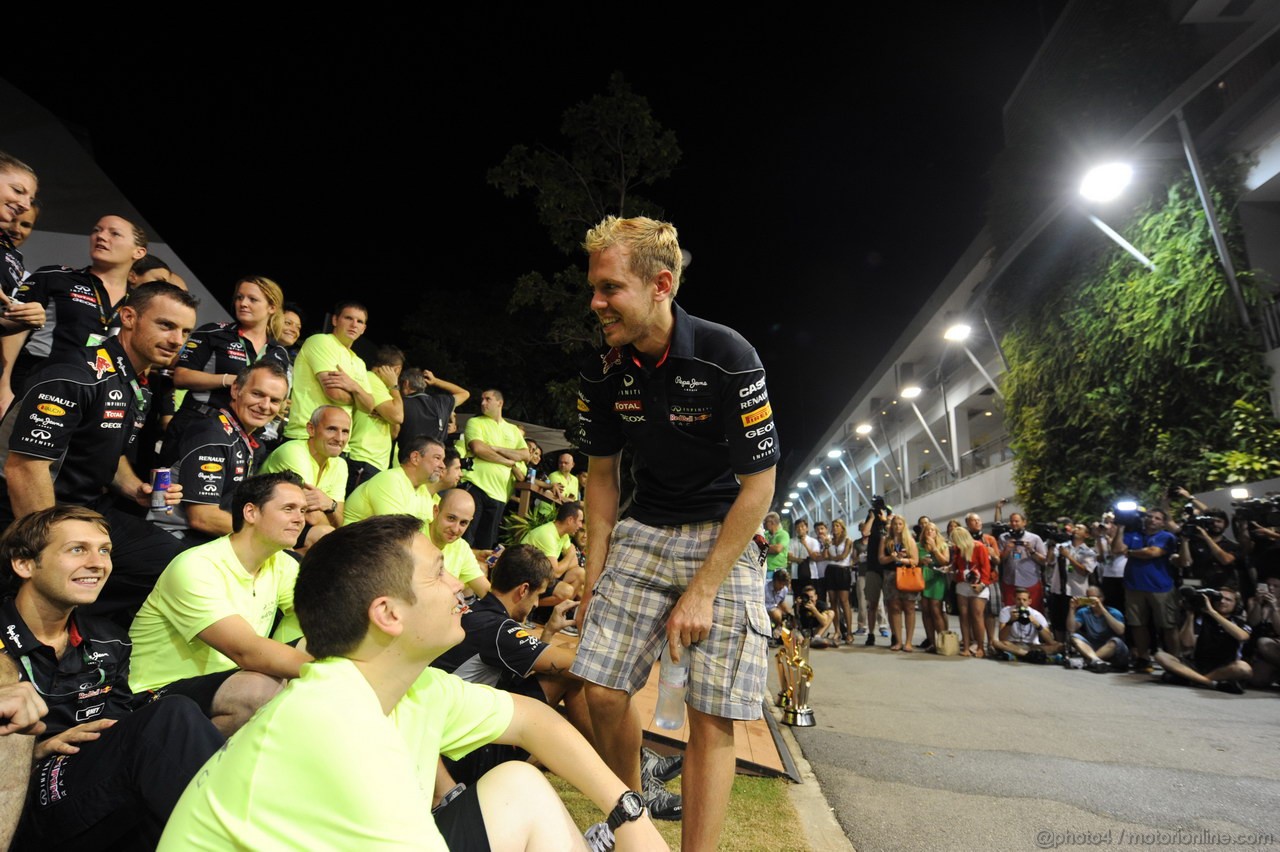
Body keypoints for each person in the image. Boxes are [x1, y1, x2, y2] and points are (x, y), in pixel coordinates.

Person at [159, 515, 668, 852]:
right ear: (388, 614)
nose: (460, 586)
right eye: (438, 574)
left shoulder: (408, 687)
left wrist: (632, 815)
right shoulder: (336, 727)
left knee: (520, 785)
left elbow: (534, 720)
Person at [573, 215, 778, 851]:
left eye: (609, 289)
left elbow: (760, 486)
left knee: (710, 717)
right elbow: (602, 479)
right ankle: (632, 825)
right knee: (601, 692)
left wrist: (705, 589)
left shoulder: (728, 355)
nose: (596, 302)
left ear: (661, 283)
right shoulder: (603, 369)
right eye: (594, 288)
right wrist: (591, 576)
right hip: (644, 527)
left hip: (724, 533)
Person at [0, 506, 222, 850]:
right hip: (22, 799)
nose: (98, 563)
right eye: (77, 549)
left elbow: (116, 726)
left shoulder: (111, 639)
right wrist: (36, 751)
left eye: (104, 550)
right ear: (24, 564)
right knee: (171, 717)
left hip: (86, 789)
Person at [0, 282, 196, 617]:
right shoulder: (75, 374)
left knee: (178, 563)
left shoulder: (136, 382)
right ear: (129, 317)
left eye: (185, 331)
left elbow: (110, 452)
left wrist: (135, 490)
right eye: (166, 325)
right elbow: (24, 468)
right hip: (31, 513)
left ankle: (84, 633)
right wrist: (57, 544)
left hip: (88, 511)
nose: (177, 340)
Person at [128, 473, 312, 735]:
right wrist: (337, 673)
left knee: (316, 642)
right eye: (288, 509)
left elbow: (320, 616)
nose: (300, 519)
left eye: (303, 510)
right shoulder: (197, 566)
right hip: (153, 693)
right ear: (251, 512)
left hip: (223, 681)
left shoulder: (280, 563)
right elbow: (245, 651)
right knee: (260, 690)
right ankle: (203, 774)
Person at [2, 215, 148, 409]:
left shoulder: (138, 303)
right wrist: (3, 388)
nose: (101, 236)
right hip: (38, 382)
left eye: (114, 233)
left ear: (138, 252)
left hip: (97, 394)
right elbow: (14, 332)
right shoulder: (54, 276)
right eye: (97, 230)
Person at [151, 361, 290, 543]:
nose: (265, 406)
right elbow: (202, 517)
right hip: (175, 536)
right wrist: (265, 533)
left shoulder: (248, 439)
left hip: (209, 537)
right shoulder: (212, 433)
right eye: (257, 394)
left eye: (274, 400)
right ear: (235, 390)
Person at [168, 276, 292, 451]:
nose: (243, 303)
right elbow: (181, 377)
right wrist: (229, 380)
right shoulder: (213, 332)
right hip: (199, 423)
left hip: (244, 435)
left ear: (272, 307)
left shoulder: (279, 353)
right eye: (239, 297)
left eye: (252, 299)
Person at [283, 300, 376, 440]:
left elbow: (369, 406)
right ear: (335, 320)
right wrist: (360, 398)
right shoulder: (320, 341)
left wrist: (353, 386)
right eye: (348, 318)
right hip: (306, 435)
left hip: (340, 442)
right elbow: (335, 393)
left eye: (360, 321)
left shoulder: (359, 362)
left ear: (363, 329)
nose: (354, 324)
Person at [260, 404, 350, 532]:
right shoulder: (294, 451)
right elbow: (310, 515)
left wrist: (330, 504)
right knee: (324, 534)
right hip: (264, 522)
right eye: (331, 429)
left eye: (345, 432)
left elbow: (339, 521)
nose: (339, 438)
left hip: (292, 526)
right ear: (311, 429)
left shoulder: (340, 465)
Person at [460, 388, 530, 549]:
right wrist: (508, 461)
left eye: (488, 399)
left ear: (500, 403)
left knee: (485, 546)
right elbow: (478, 449)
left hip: (500, 495)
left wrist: (495, 449)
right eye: (482, 399)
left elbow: (526, 455)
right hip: (475, 487)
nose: (483, 403)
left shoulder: (513, 429)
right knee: (465, 541)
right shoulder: (475, 422)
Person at [1111, 509, 1179, 674]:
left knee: (1167, 625)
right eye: (1149, 517)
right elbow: (1116, 549)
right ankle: (1143, 658)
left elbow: (1153, 552)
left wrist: (1130, 552)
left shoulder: (1166, 536)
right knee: (1137, 624)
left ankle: (1176, 660)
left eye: (1157, 518)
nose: (1152, 520)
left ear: (1163, 522)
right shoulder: (1134, 534)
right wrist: (1120, 526)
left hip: (1160, 587)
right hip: (1134, 586)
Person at [1154, 586, 1251, 694]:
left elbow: (1242, 636)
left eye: (1228, 600)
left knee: (1244, 668)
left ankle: (1190, 678)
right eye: (1219, 598)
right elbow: (1186, 644)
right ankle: (1209, 682)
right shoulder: (1201, 618)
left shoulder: (1239, 622)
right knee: (1160, 655)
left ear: (1236, 605)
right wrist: (1190, 615)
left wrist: (1212, 612)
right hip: (1197, 664)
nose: (1222, 601)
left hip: (1224, 668)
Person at [343, 434, 447, 530]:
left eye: (443, 460)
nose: (443, 466)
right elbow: (396, 532)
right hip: (352, 544)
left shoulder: (422, 490)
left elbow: (427, 531)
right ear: (415, 458)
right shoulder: (389, 480)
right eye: (437, 458)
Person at [344, 344, 406, 494]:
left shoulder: (384, 389)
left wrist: (389, 415)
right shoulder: (371, 380)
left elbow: (394, 432)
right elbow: (398, 416)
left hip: (374, 462)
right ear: (396, 370)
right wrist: (394, 387)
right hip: (363, 458)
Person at [429, 488, 492, 599]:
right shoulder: (412, 535)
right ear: (436, 511)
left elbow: (486, 591)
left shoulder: (461, 548)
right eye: (451, 518)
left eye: (463, 523)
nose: (455, 529)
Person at [520, 500, 586, 602]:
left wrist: (563, 564)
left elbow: (574, 564)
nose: (581, 525)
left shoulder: (564, 534)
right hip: (527, 577)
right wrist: (570, 554)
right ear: (570, 520)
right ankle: (529, 603)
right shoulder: (548, 534)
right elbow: (555, 573)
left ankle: (561, 611)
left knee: (580, 573)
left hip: (543, 575)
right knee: (567, 591)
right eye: (580, 521)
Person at [399, 365, 469, 452]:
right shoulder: (441, 402)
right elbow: (464, 393)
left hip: (411, 459)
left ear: (406, 383)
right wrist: (436, 381)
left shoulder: (400, 403)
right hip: (437, 460)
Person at [1047, 521, 1097, 640]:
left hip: (1076, 592)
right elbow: (1049, 562)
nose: (1076, 529)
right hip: (1058, 589)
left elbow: (1085, 571)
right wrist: (1052, 544)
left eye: (1080, 528)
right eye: (1075, 527)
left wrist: (1068, 556)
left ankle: (1074, 646)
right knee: (1057, 622)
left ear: (1086, 535)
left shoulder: (1088, 552)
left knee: (1074, 623)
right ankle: (1060, 646)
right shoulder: (1062, 546)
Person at [949, 525, 993, 657]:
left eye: (955, 540)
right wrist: (951, 569)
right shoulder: (958, 549)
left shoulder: (979, 547)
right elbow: (956, 566)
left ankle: (980, 647)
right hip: (962, 585)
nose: (954, 543)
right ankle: (966, 647)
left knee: (977, 615)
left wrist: (983, 584)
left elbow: (986, 568)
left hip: (978, 585)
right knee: (964, 615)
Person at [879, 514, 920, 652]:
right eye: (895, 524)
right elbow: (881, 559)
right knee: (894, 608)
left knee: (909, 607)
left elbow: (915, 561)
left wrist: (902, 560)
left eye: (900, 524)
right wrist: (892, 557)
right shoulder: (885, 540)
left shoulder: (910, 541)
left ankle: (908, 642)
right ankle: (898, 640)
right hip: (890, 575)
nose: (897, 526)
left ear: (904, 525)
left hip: (907, 575)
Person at [1067, 585, 1129, 673]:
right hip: (1093, 647)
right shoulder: (1084, 611)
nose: (1091, 601)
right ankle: (1096, 660)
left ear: (1101, 598)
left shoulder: (1114, 612)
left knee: (1115, 641)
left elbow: (1120, 631)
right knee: (1074, 636)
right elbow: (1071, 629)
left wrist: (1103, 610)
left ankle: (1089, 661)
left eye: (1093, 598)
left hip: (1113, 649)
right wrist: (1072, 609)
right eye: (1088, 598)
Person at [993, 587, 1062, 662]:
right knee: (996, 643)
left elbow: (1050, 641)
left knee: (1059, 646)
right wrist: (1010, 621)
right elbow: (1002, 638)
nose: (1021, 602)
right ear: (1014, 599)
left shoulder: (1036, 615)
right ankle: (1028, 655)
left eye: (1024, 600)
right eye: (1018, 599)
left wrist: (1037, 625)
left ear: (1029, 601)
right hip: (1013, 644)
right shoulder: (1006, 611)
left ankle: (1018, 656)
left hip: (1032, 646)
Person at [998, 512, 1048, 611]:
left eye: (1017, 521)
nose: (1014, 523)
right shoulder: (1003, 538)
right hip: (1010, 581)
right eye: (1012, 521)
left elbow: (1044, 561)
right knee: (1010, 612)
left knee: (1034, 611)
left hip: (1030, 581)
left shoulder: (1034, 538)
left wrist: (1031, 550)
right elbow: (1000, 560)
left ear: (1024, 522)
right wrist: (1007, 550)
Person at [859, 502, 893, 646]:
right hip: (873, 567)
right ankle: (871, 634)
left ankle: (894, 634)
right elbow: (865, 532)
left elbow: (895, 534)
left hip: (888, 567)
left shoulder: (889, 525)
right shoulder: (871, 525)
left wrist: (886, 520)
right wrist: (872, 518)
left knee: (891, 604)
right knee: (872, 603)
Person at [916, 517, 950, 653]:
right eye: (927, 530)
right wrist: (920, 561)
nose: (930, 532)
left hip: (937, 579)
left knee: (936, 610)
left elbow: (945, 562)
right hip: (923, 579)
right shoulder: (918, 546)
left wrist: (935, 549)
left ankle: (942, 642)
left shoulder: (943, 545)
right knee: (925, 611)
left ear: (936, 532)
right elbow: (913, 561)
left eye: (932, 530)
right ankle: (931, 642)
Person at [823, 518, 855, 645]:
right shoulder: (830, 541)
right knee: (833, 601)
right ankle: (837, 630)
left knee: (844, 601)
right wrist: (826, 545)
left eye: (837, 526)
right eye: (833, 526)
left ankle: (849, 631)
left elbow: (843, 556)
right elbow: (825, 555)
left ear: (842, 527)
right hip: (830, 570)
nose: (835, 528)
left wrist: (832, 558)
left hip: (843, 570)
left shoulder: (848, 540)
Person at [765, 568, 792, 636]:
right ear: (774, 580)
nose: (781, 586)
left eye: (784, 584)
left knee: (791, 614)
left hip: (774, 607)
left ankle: (779, 632)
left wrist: (790, 614)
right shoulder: (764, 586)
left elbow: (781, 602)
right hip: (763, 608)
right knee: (777, 613)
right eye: (780, 583)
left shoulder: (784, 590)